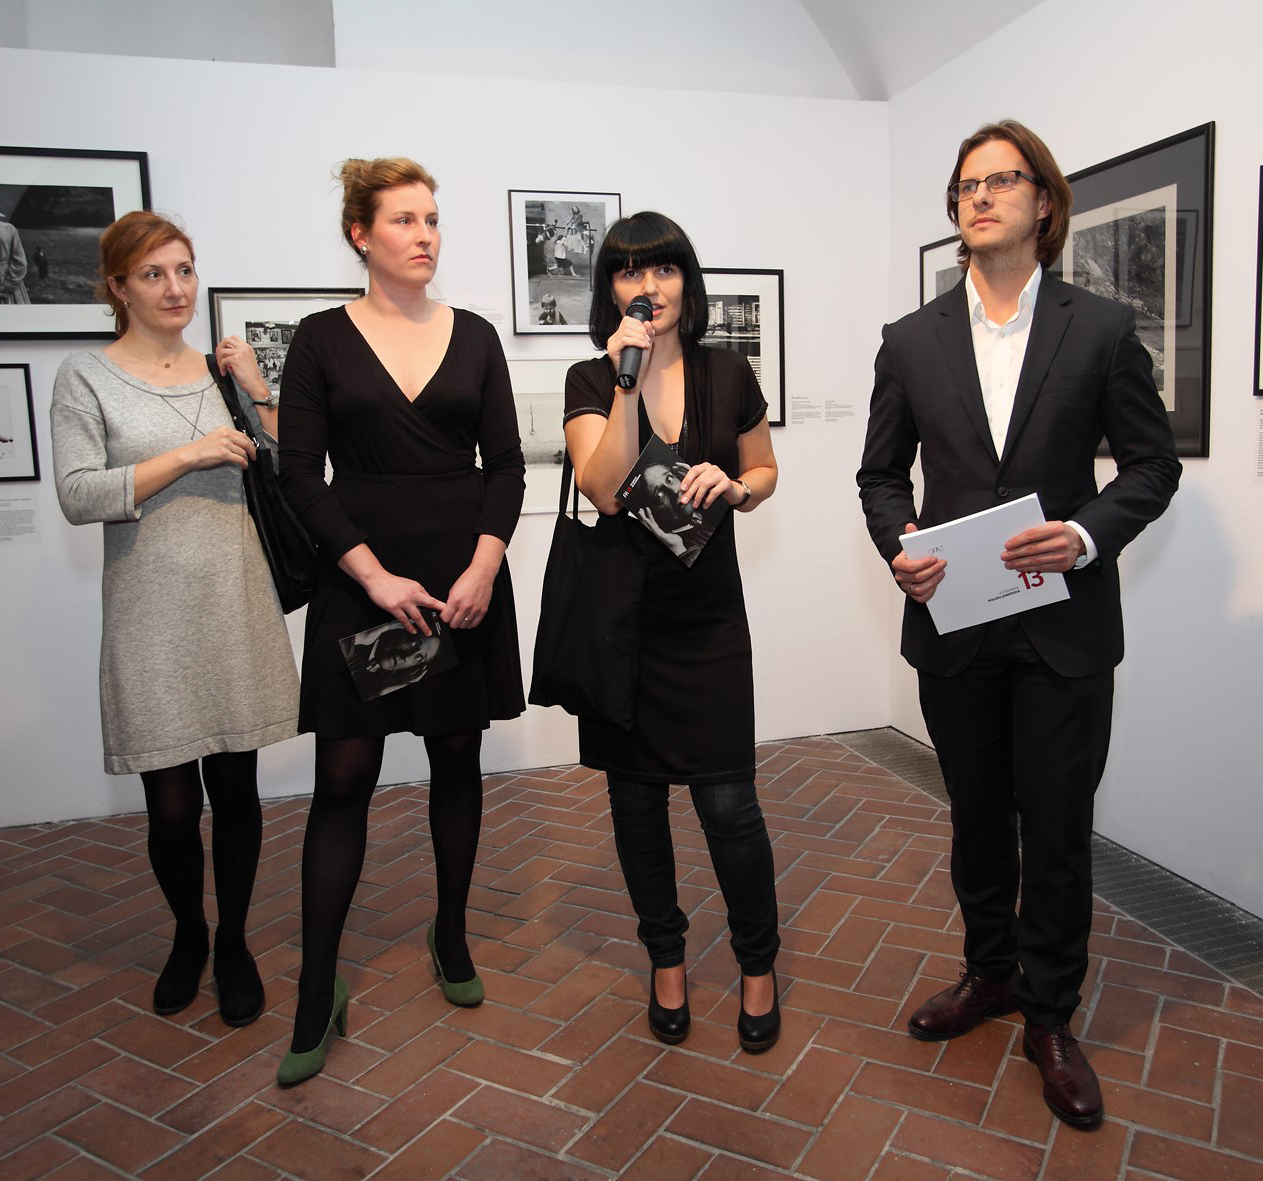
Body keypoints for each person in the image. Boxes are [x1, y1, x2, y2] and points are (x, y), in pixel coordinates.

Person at [857, 121, 1181, 1128]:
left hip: (1063, 625)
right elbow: (879, 474)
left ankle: (1050, 1014)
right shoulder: (910, 340)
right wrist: (899, 544)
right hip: (953, 621)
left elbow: (1151, 465)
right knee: (974, 818)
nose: (980, 196)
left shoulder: (1101, 328)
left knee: (1057, 829)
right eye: (966, 185)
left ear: (1044, 202)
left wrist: (1083, 536)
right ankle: (989, 973)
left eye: (1001, 180)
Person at [274, 157, 526, 1086]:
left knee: (456, 757)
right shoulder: (320, 339)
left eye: (432, 219)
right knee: (343, 778)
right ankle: (316, 987)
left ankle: (450, 933)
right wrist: (374, 576)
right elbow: (298, 475)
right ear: (360, 234)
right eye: (404, 220)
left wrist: (484, 566)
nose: (425, 235)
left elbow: (506, 464)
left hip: (460, 587)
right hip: (363, 583)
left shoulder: (476, 336)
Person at [50, 211, 298, 1030]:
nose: (175, 288)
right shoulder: (86, 377)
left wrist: (256, 388)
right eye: (153, 274)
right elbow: (78, 493)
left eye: (184, 270)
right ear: (117, 287)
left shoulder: (221, 370)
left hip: (234, 595)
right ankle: (188, 931)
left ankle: (233, 941)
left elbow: (291, 466)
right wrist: (189, 453)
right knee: (169, 804)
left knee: (235, 790)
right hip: (148, 610)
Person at [562, 211, 783, 1053]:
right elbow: (603, 488)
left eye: (662, 269)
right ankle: (665, 955)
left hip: (709, 621)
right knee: (635, 805)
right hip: (623, 628)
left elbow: (765, 469)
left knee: (729, 804)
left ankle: (757, 963)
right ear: (609, 289)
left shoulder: (727, 372)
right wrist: (627, 381)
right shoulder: (592, 378)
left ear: (687, 282)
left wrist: (738, 486)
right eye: (628, 271)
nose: (646, 285)